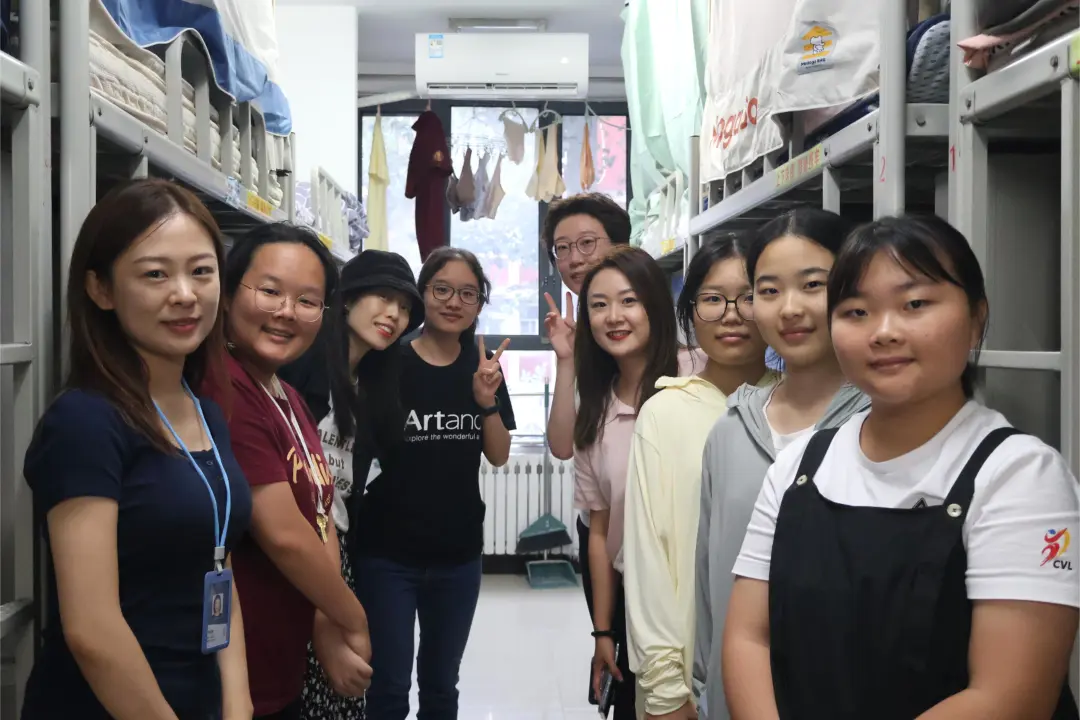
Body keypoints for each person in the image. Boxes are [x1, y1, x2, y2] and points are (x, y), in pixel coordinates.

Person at [724, 215, 1080, 719]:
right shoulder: (800, 465)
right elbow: (748, 637)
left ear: (976, 318)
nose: (884, 332)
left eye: (915, 304)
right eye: (856, 311)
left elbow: (1009, 697)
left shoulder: (1020, 476)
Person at [21, 179, 253, 720]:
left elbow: (218, 563)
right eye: (155, 274)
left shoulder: (205, 411)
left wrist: (238, 703)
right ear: (101, 289)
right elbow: (92, 629)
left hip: (198, 697)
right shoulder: (85, 422)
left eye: (201, 271)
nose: (185, 294)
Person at [692, 209, 868, 720]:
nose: (790, 309)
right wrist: (704, 688)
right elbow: (709, 582)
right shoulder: (731, 429)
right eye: (768, 291)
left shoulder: (883, 426)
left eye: (813, 285)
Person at [215, 224, 373, 720]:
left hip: (280, 666)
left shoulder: (285, 396)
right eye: (270, 291)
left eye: (307, 301)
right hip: (234, 681)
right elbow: (284, 536)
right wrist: (353, 618)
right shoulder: (225, 391)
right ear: (227, 292)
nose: (287, 311)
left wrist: (325, 621)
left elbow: (320, 515)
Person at [353, 246, 515, 720]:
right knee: (388, 686)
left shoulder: (483, 367)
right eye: (442, 289)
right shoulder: (387, 362)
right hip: (387, 556)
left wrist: (485, 400)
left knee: (442, 686)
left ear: (480, 303)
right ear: (422, 294)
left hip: (457, 557)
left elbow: (499, 455)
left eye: (468, 293)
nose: (453, 302)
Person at [623, 235, 779, 720]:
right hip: (683, 680)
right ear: (689, 313)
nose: (731, 315)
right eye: (713, 299)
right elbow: (648, 559)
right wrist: (666, 689)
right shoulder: (665, 412)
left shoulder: (798, 405)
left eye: (750, 296)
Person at [281, 250, 424, 720]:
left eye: (404, 308)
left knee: (338, 692)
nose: (394, 315)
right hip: (288, 542)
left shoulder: (373, 381)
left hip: (336, 542)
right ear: (346, 300)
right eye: (383, 298)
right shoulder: (301, 364)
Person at [573, 246, 681, 719]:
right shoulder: (595, 412)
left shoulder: (700, 374)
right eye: (599, 305)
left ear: (655, 303)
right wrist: (603, 632)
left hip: (701, 593)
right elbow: (599, 533)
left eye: (629, 300)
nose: (613, 317)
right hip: (636, 604)